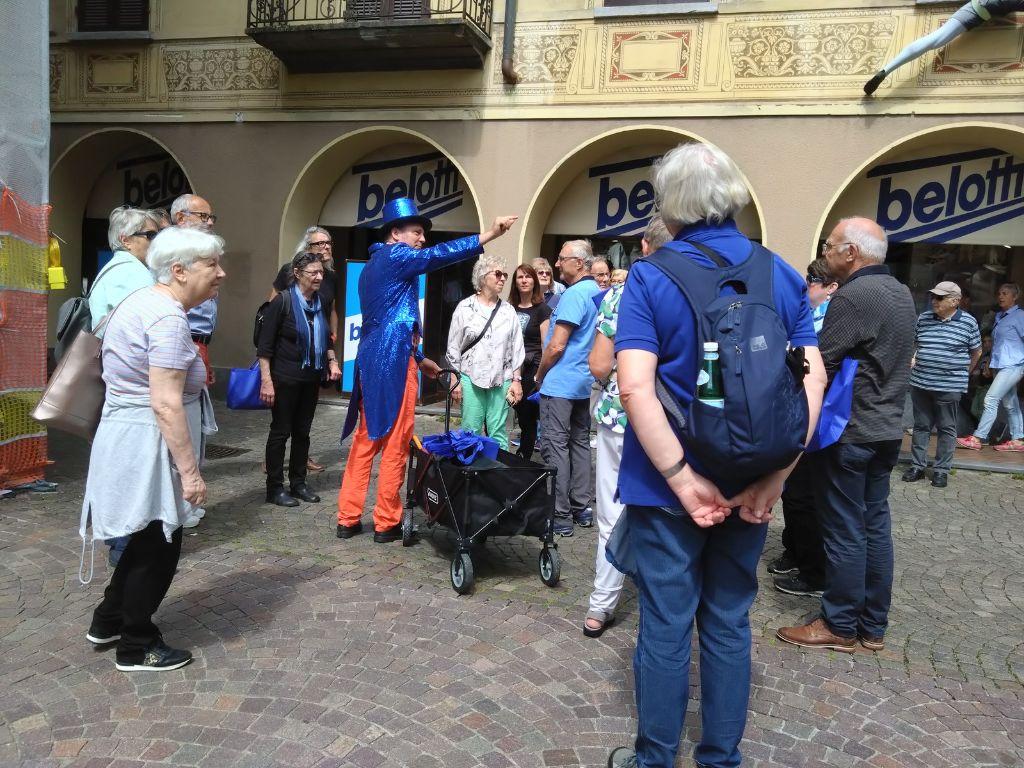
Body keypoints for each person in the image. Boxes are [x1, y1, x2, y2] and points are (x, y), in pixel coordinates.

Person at [606, 143, 825, 768]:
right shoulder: (779, 272)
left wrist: (680, 478)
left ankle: (653, 760)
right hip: (752, 478)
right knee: (729, 622)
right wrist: (776, 476)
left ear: (669, 204)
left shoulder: (650, 276)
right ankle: (720, 759)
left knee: (666, 626)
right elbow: (810, 380)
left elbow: (634, 387)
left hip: (666, 485)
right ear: (733, 196)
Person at [80, 227, 225, 672]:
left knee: (144, 537)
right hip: (146, 442)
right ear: (178, 271)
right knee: (159, 543)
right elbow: (165, 402)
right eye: (211, 265)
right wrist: (191, 474)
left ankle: (108, 621)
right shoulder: (166, 317)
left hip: (127, 435)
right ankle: (137, 644)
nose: (222, 273)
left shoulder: (142, 302)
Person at [336, 198, 518, 542]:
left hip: (372, 360)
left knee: (366, 438)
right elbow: (436, 257)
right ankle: (386, 521)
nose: (422, 239)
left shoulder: (376, 264)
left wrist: (420, 359)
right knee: (396, 441)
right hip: (392, 364)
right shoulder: (397, 256)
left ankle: (347, 517)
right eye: (416, 232)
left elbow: (390, 321)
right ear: (395, 233)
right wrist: (488, 234)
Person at [778, 216, 916, 655]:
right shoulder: (900, 292)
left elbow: (822, 364)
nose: (826, 252)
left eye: (831, 245)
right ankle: (872, 626)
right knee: (875, 526)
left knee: (844, 530)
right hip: (886, 429)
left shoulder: (855, 297)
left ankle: (838, 623)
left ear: (851, 253)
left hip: (851, 432)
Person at [583, 215, 669, 640]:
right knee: (667, 514)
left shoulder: (620, 294)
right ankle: (664, 604)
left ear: (643, 246)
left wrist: (610, 382)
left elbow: (598, 363)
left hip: (622, 415)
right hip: (673, 422)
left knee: (611, 515)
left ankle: (601, 605)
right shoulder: (692, 290)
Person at [88, 207, 164, 567]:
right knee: (131, 470)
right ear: (125, 239)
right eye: (150, 235)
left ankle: (123, 545)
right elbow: (144, 332)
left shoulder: (116, 270)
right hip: (131, 391)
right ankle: (125, 553)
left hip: (117, 386)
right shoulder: (132, 274)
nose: (155, 241)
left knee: (122, 468)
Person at [769, 257, 840, 599]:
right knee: (794, 494)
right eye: (808, 278)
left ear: (830, 288)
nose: (807, 284)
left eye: (814, 280)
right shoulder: (806, 313)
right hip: (795, 409)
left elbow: (816, 370)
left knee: (803, 495)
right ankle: (794, 551)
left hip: (816, 416)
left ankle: (814, 572)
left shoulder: (829, 319)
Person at [257, 252, 342, 507]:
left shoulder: (321, 301)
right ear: (296, 274)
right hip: (284, 378)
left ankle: (298, 483)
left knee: (302, 433)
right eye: (313, 273)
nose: (318, 277)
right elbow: (264, 347)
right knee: (281, 432)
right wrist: (266, 381)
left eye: (321, 273)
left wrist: (332, 360)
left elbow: (326, 336)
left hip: (310, 378)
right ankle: (274, 487)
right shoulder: (282, 302)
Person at [535, 239, 603, 537]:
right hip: (583, 382)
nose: (558, 263)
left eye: (562, 259)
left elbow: (557, 344)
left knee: (555, 445)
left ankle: (560, 513)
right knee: (578, 444)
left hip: (561, 382)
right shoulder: (597, 293)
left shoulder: (575, 295)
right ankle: (581, 507)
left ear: (579, 263)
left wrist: (539, 374)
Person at [268, 225, 340, 473]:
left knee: (303, 422)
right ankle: (274, 465)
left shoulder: (330, 276)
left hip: (316, 351)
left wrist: (332, 337)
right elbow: (273, 305)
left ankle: (300, 464)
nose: (326, 247)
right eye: (319, 244)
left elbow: (331, 308)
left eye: (328, 243)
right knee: (282, 421)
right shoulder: (289, 273)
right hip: (288, 355)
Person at [902, 282, 982, 488]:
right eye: (933, 297)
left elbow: (977, 352)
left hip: (949, 386)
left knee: (947, 428)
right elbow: (915, 342)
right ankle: (917, 466)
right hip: (921, 382)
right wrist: (913, 358)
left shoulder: (968, 322)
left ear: (955, 301)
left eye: (940, 298)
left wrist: (965, 373)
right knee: (921, 426)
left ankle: (941, 470)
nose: (934, 301)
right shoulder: (924, 318)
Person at [446, 256, 525, 450]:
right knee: (470, 430)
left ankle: (497, 476)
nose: (503, 279)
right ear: (482, 277)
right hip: (469, 377)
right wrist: (454, 380)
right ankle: (470, 476)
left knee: (498, 431)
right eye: (498, 274)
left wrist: (516, 380)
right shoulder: (464, 308)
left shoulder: (508, 310)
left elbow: (516, 348)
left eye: (505, 275)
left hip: (502, 378)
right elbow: (453, 347)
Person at [864, 1, 1024, 95]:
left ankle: (886, 69)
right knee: (936, 41)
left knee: (933, 40)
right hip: (980, 12)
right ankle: (885, 71)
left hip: (975, 9)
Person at [957, 283, 1024, 451]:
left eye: (1005, 293)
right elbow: (997, 345)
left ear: (1015, 297)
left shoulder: (1020, 316)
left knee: (991, 399)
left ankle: (978, 437)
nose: (1000, 296)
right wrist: (989, 363)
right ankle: (1018, 440)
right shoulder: (999, 317)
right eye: (999, 293)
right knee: (1010, 403)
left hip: (1014, 365)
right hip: (1000, 365)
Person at [171, 193, 219, 386]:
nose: (209, 223)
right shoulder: (172, 249)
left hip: (199, 343)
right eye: (203, 216)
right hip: (183, 341)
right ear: (181, 218)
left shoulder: (198, 248)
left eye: (211, 218)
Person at [510, 264, 552, 461]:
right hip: (510, 367)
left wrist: (541, 375)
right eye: (520, 277)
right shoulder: (508, 307)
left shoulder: (542, 309)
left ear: (534, 281)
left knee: (527, 418)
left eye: (528, 277)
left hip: (531, 368)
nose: (524, 280)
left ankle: (524, 459)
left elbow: (546, 343)